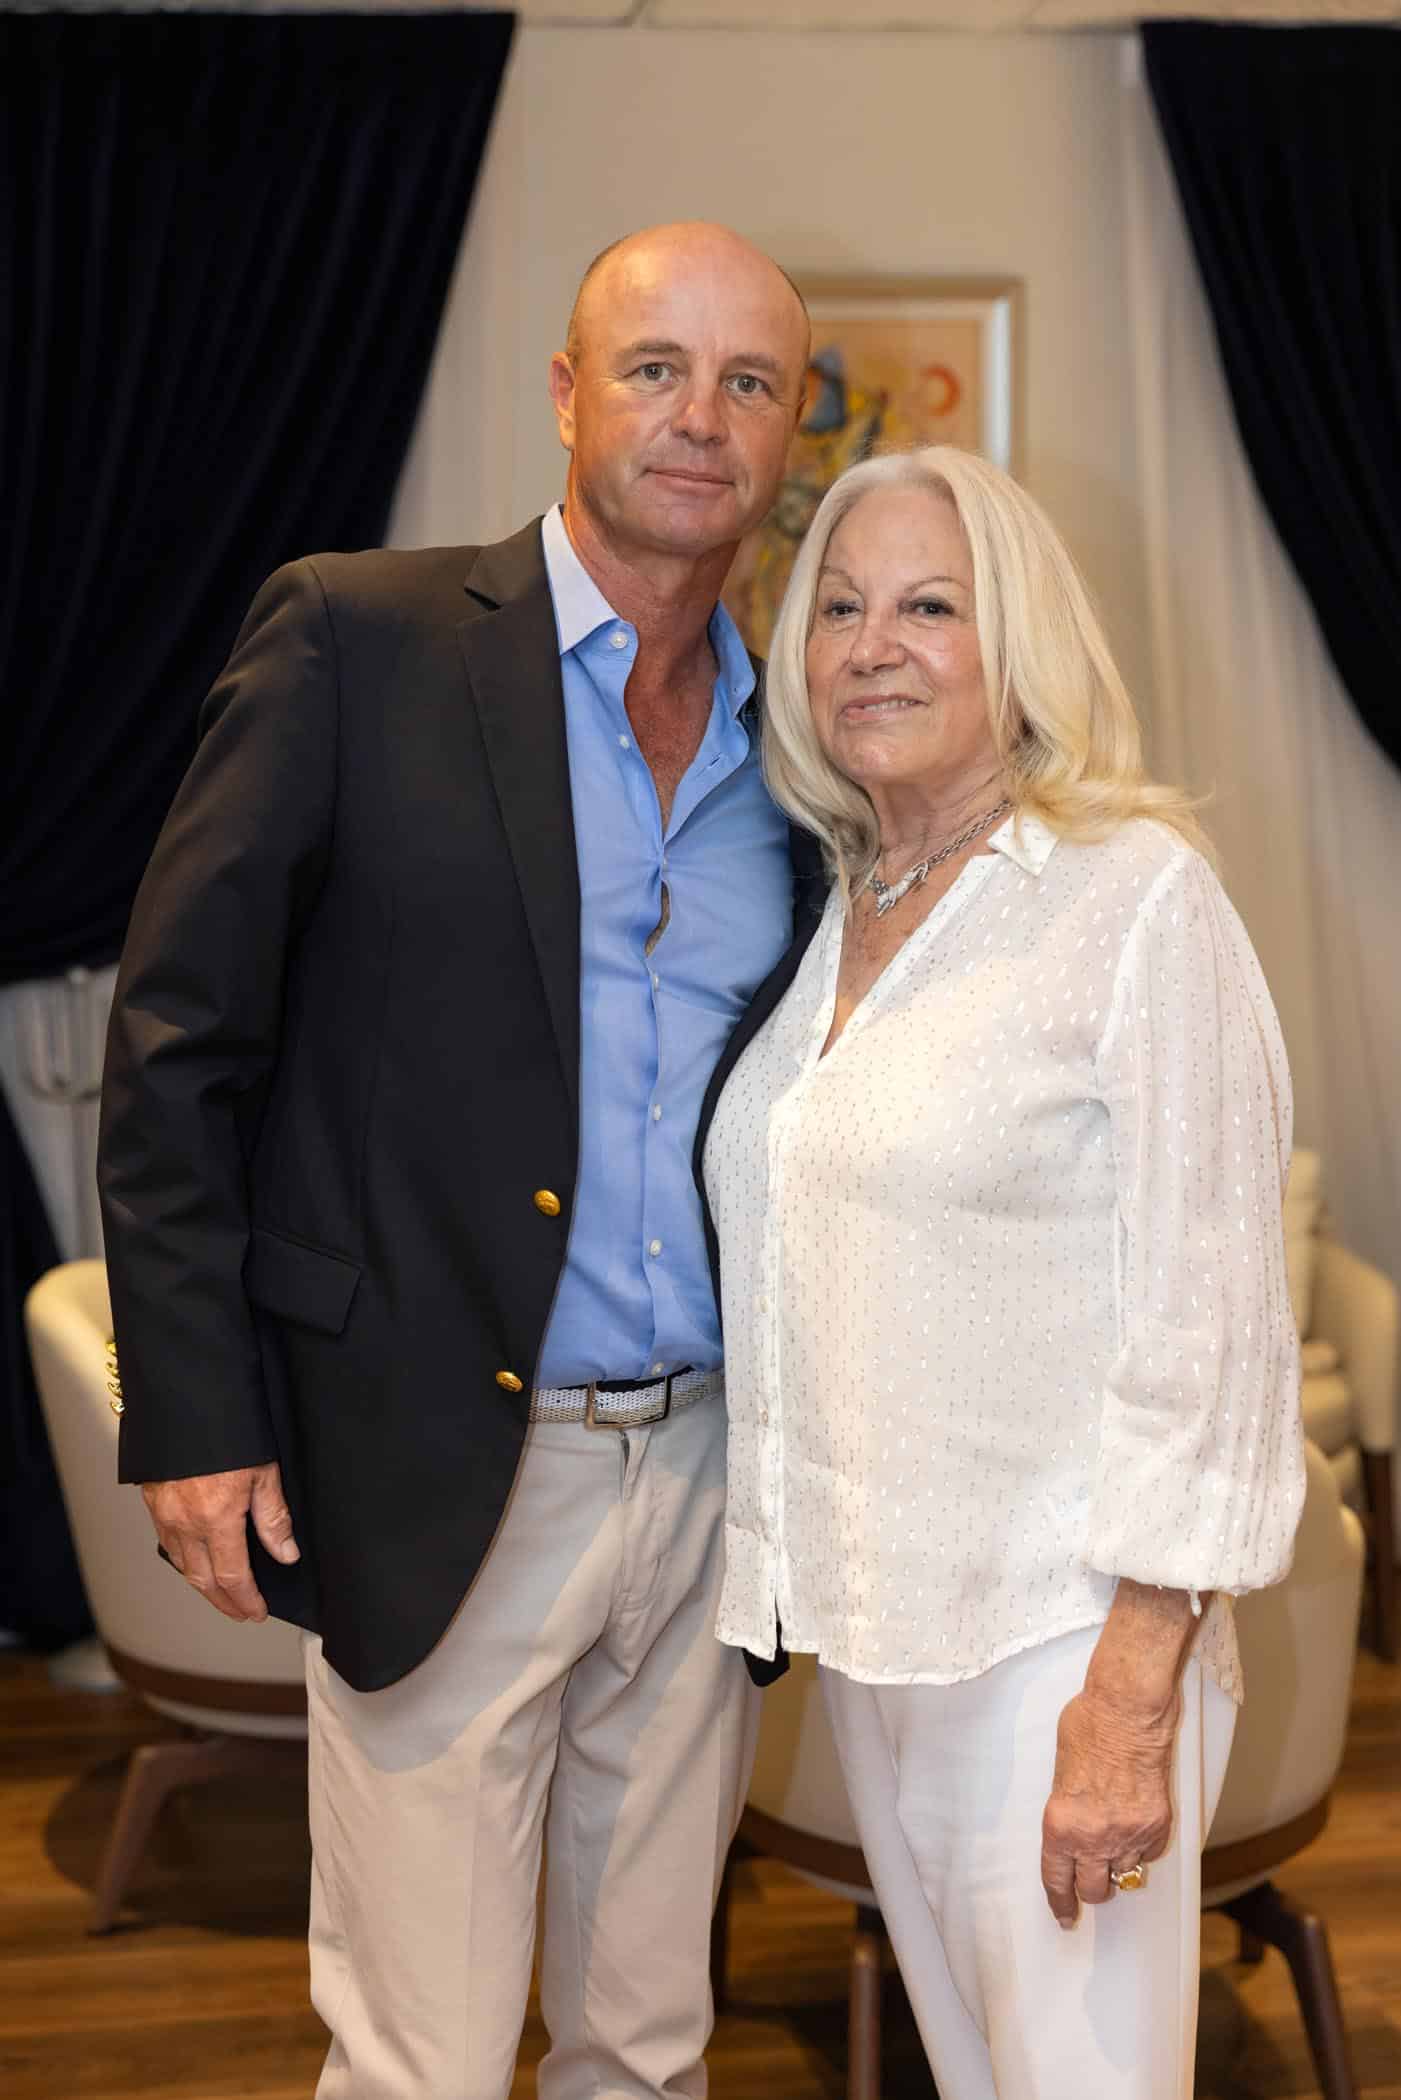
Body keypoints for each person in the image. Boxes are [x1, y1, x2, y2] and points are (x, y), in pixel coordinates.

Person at [98, 221, 819, 2100]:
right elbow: (181, 1041)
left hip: (711, 1471)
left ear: (788, 428)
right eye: (654, 367)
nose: (699, 416)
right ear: (569, 392)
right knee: (421, 2052)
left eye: (748, 382)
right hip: (434, 1456)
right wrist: (191, 1413)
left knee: (646, 2039)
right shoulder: (360, 638)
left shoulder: (804, 742)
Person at [697, 444, 1305, 2100]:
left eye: (929, 607)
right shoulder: (845, 899)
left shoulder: (1132, 897)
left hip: (1059, 1644)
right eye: (837, 608)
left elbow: (1214, 1324)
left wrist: (1128, 1698)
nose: (871, 646)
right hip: (880, 1632)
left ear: (1019, 641)